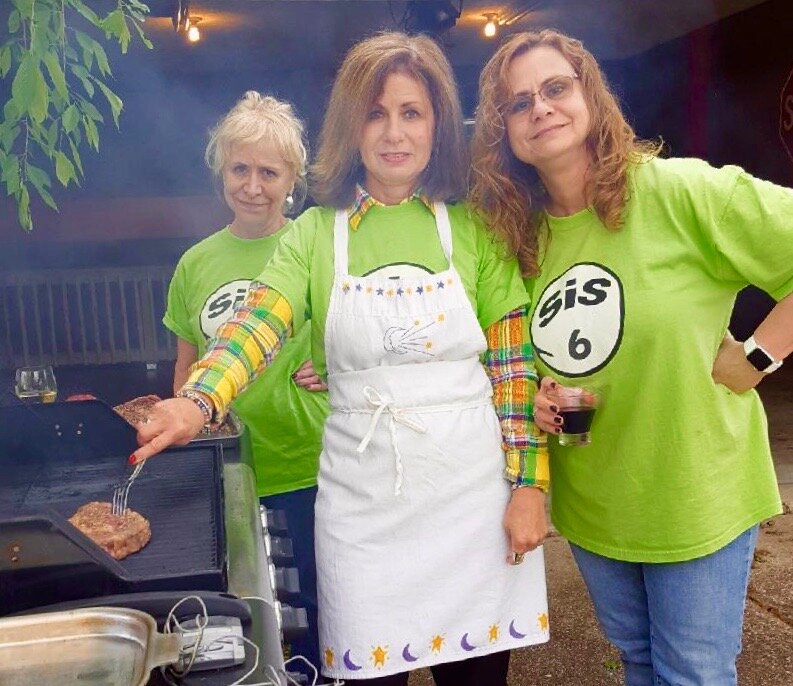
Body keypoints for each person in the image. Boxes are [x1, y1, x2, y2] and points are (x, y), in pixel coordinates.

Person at [135, 32, 550, 685]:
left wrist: (529, 484)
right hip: (363, 513)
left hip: (468, 504)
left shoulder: (472, 228)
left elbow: (512, 369)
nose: (393, 133)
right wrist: (198, 399)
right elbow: (256, 321)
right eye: (375, 113)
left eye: (411, 112)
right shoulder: (313, 234)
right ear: (349, 126)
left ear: (437, 122)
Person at [470, 28, 793, 686]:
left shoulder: (676, 191)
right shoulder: (521, 238)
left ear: (590, 94)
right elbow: (516, 352)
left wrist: (758, 353)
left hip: (694, 494)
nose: (540, 108)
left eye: (555, 88)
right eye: (518, 102)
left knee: (692, 673)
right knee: (640, 665)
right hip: (595, 506)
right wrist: (536, 391)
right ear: (503, 131)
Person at [161, 91, 329, 681]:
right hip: (229, 476)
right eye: (240, 168)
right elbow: (185, 370)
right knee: (243, 625)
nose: (253, 185)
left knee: (319, 615)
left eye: (269, 172)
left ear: (293, 180)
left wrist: (332, 369)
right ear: (220, 171)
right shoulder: (195, 263)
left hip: (309, 464)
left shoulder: (316, 247)